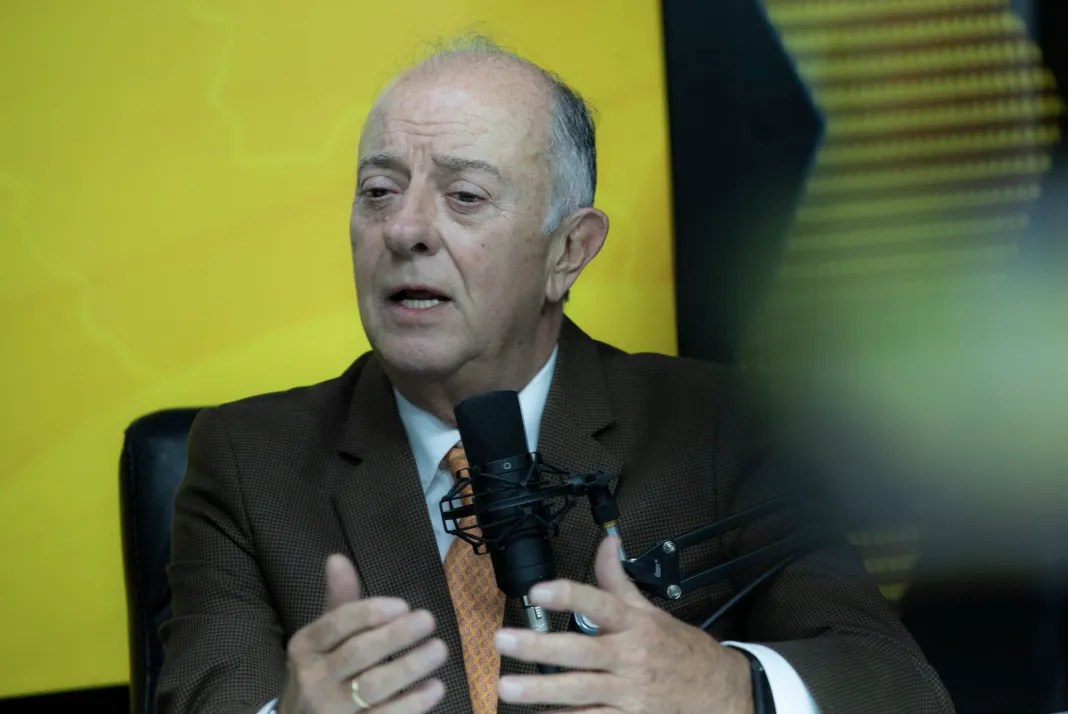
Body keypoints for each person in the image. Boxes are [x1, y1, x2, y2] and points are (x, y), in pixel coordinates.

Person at [157, 37, 953, 714]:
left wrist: (726, 685)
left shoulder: (717, 427)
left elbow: (898, 687)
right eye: (378, 192)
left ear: (568, 251)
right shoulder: (248, 463)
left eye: (464, 195)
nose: (405, 229)